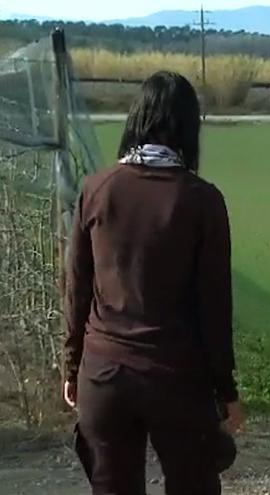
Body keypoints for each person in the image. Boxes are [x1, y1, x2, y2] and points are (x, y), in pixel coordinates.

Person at [63, 71, 243, 495]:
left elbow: (76, 287)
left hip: (104, 374)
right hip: (177, 377)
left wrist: (72, 365)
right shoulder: (202, 200)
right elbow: (214, 305)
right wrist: (225, 389)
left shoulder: (96, 190)